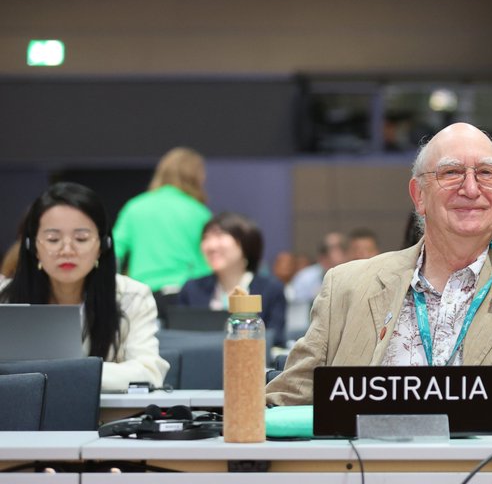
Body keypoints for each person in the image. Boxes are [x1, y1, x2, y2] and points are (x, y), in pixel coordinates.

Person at [266, 122, 492, 416]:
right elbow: (287, 400)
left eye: (487, 173)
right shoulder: (345, 286)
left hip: (487, 473)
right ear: (418, 196)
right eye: (451, 173)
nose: (471, 189)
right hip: (361, 471)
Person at [0, 182, 167, 392]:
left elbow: (149, 373)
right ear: (32, 247)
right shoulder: (4, 298)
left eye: (81, 238)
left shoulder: (132, 296)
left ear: (102, 246)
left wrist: (69, 372)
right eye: (53, 239)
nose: (67, 249)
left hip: (104, 420)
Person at [176, 212, 287, 349]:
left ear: (246, 242)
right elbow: (180, 339)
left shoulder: (271, 289)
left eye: (219, 236)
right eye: (206, 238)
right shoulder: (191, 288)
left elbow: (276, 342)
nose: (211, 246)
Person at [112, 147, 211, 293]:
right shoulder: (199, 212)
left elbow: (114, 251)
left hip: (142, 293)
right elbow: (209, 262)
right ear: (196, 176)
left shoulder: (135, 207)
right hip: (187, 291)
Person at [287, 231, 347, 313]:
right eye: (335, 249)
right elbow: (297, 310)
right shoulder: (305, 278)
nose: (341, 255)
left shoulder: (352, 275)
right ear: (323, 258)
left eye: (343, 249)